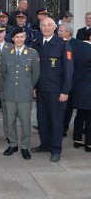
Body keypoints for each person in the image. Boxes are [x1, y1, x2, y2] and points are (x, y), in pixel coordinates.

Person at [31, 17, 73, 162]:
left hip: (57, 91)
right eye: (43, 25)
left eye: (49, 25)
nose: (46, 27)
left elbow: (68, 71)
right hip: (41, 89)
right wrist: (35, 87)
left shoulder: (62, 44)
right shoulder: (36, 44)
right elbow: (36, 69)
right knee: (42, 120)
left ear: (55, 26)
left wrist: (65, 91)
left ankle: (55, 149)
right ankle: (45, 144)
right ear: (40, 27)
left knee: (56, 121)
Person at [2, 28, 40, 160]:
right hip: (10, 93)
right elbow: (4, 72)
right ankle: (13, 144)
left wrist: (29, 87)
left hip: (24, 93)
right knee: (10, 120)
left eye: (22, 37)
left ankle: (24, 146)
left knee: (25, 121)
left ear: (25, 38)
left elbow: (35, 74)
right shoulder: (6, 53)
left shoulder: (32, 53)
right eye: (16, 37)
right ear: (12, 38)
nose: (19, 39)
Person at [58, 23, 81, 137]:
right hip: (57, 80)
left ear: (69, 32)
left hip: (72, 80)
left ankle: (63, 128)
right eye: (59, 31)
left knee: (68, 107)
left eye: (61, 31)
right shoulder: (56, 42)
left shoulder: (78, 44)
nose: (59, 33)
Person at [72, 29, 91, 152]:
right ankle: (89, 143)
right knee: (90, 116)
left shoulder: (76, 47)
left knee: (80, 114)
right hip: (89, 87)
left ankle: (77, 139)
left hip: (77, 86)